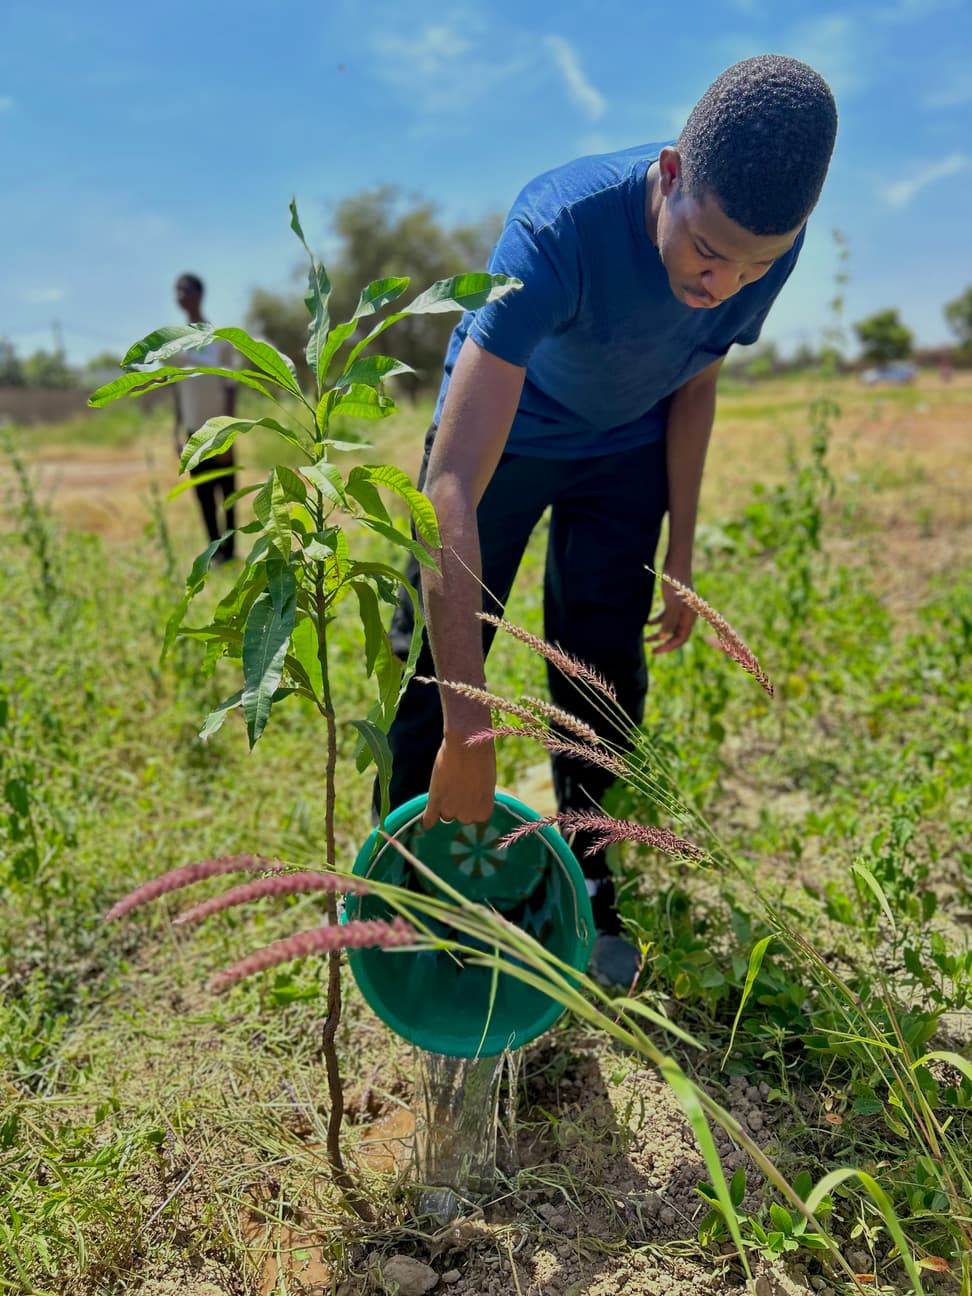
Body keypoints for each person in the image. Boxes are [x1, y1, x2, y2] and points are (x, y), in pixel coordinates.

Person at [379, 55, 838, 987]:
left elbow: (698, 379)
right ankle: (415, 886)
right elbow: (455, 482)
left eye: (753, 264)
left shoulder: (764, 248)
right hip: (509, 437)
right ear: (670, 175)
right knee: (440, 665)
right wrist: (473, 737)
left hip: (627, 444)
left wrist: (685, 545)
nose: (725, 282)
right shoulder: (556, 233)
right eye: (708, 252)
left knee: (602, 669)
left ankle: (585, 875)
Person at [172, 273, 238, 562]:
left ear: (200, 294)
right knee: (203, 494)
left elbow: (231, 388)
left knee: (226, 491)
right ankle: (215, 550)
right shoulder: (176, 344)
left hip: (218, 430)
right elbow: (177, 388)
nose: (179, 296)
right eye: (177, 291)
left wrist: (230, 434)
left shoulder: (219, 340)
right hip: (192, 430)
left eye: (184, 290)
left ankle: (231, 549)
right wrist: (176, 431)